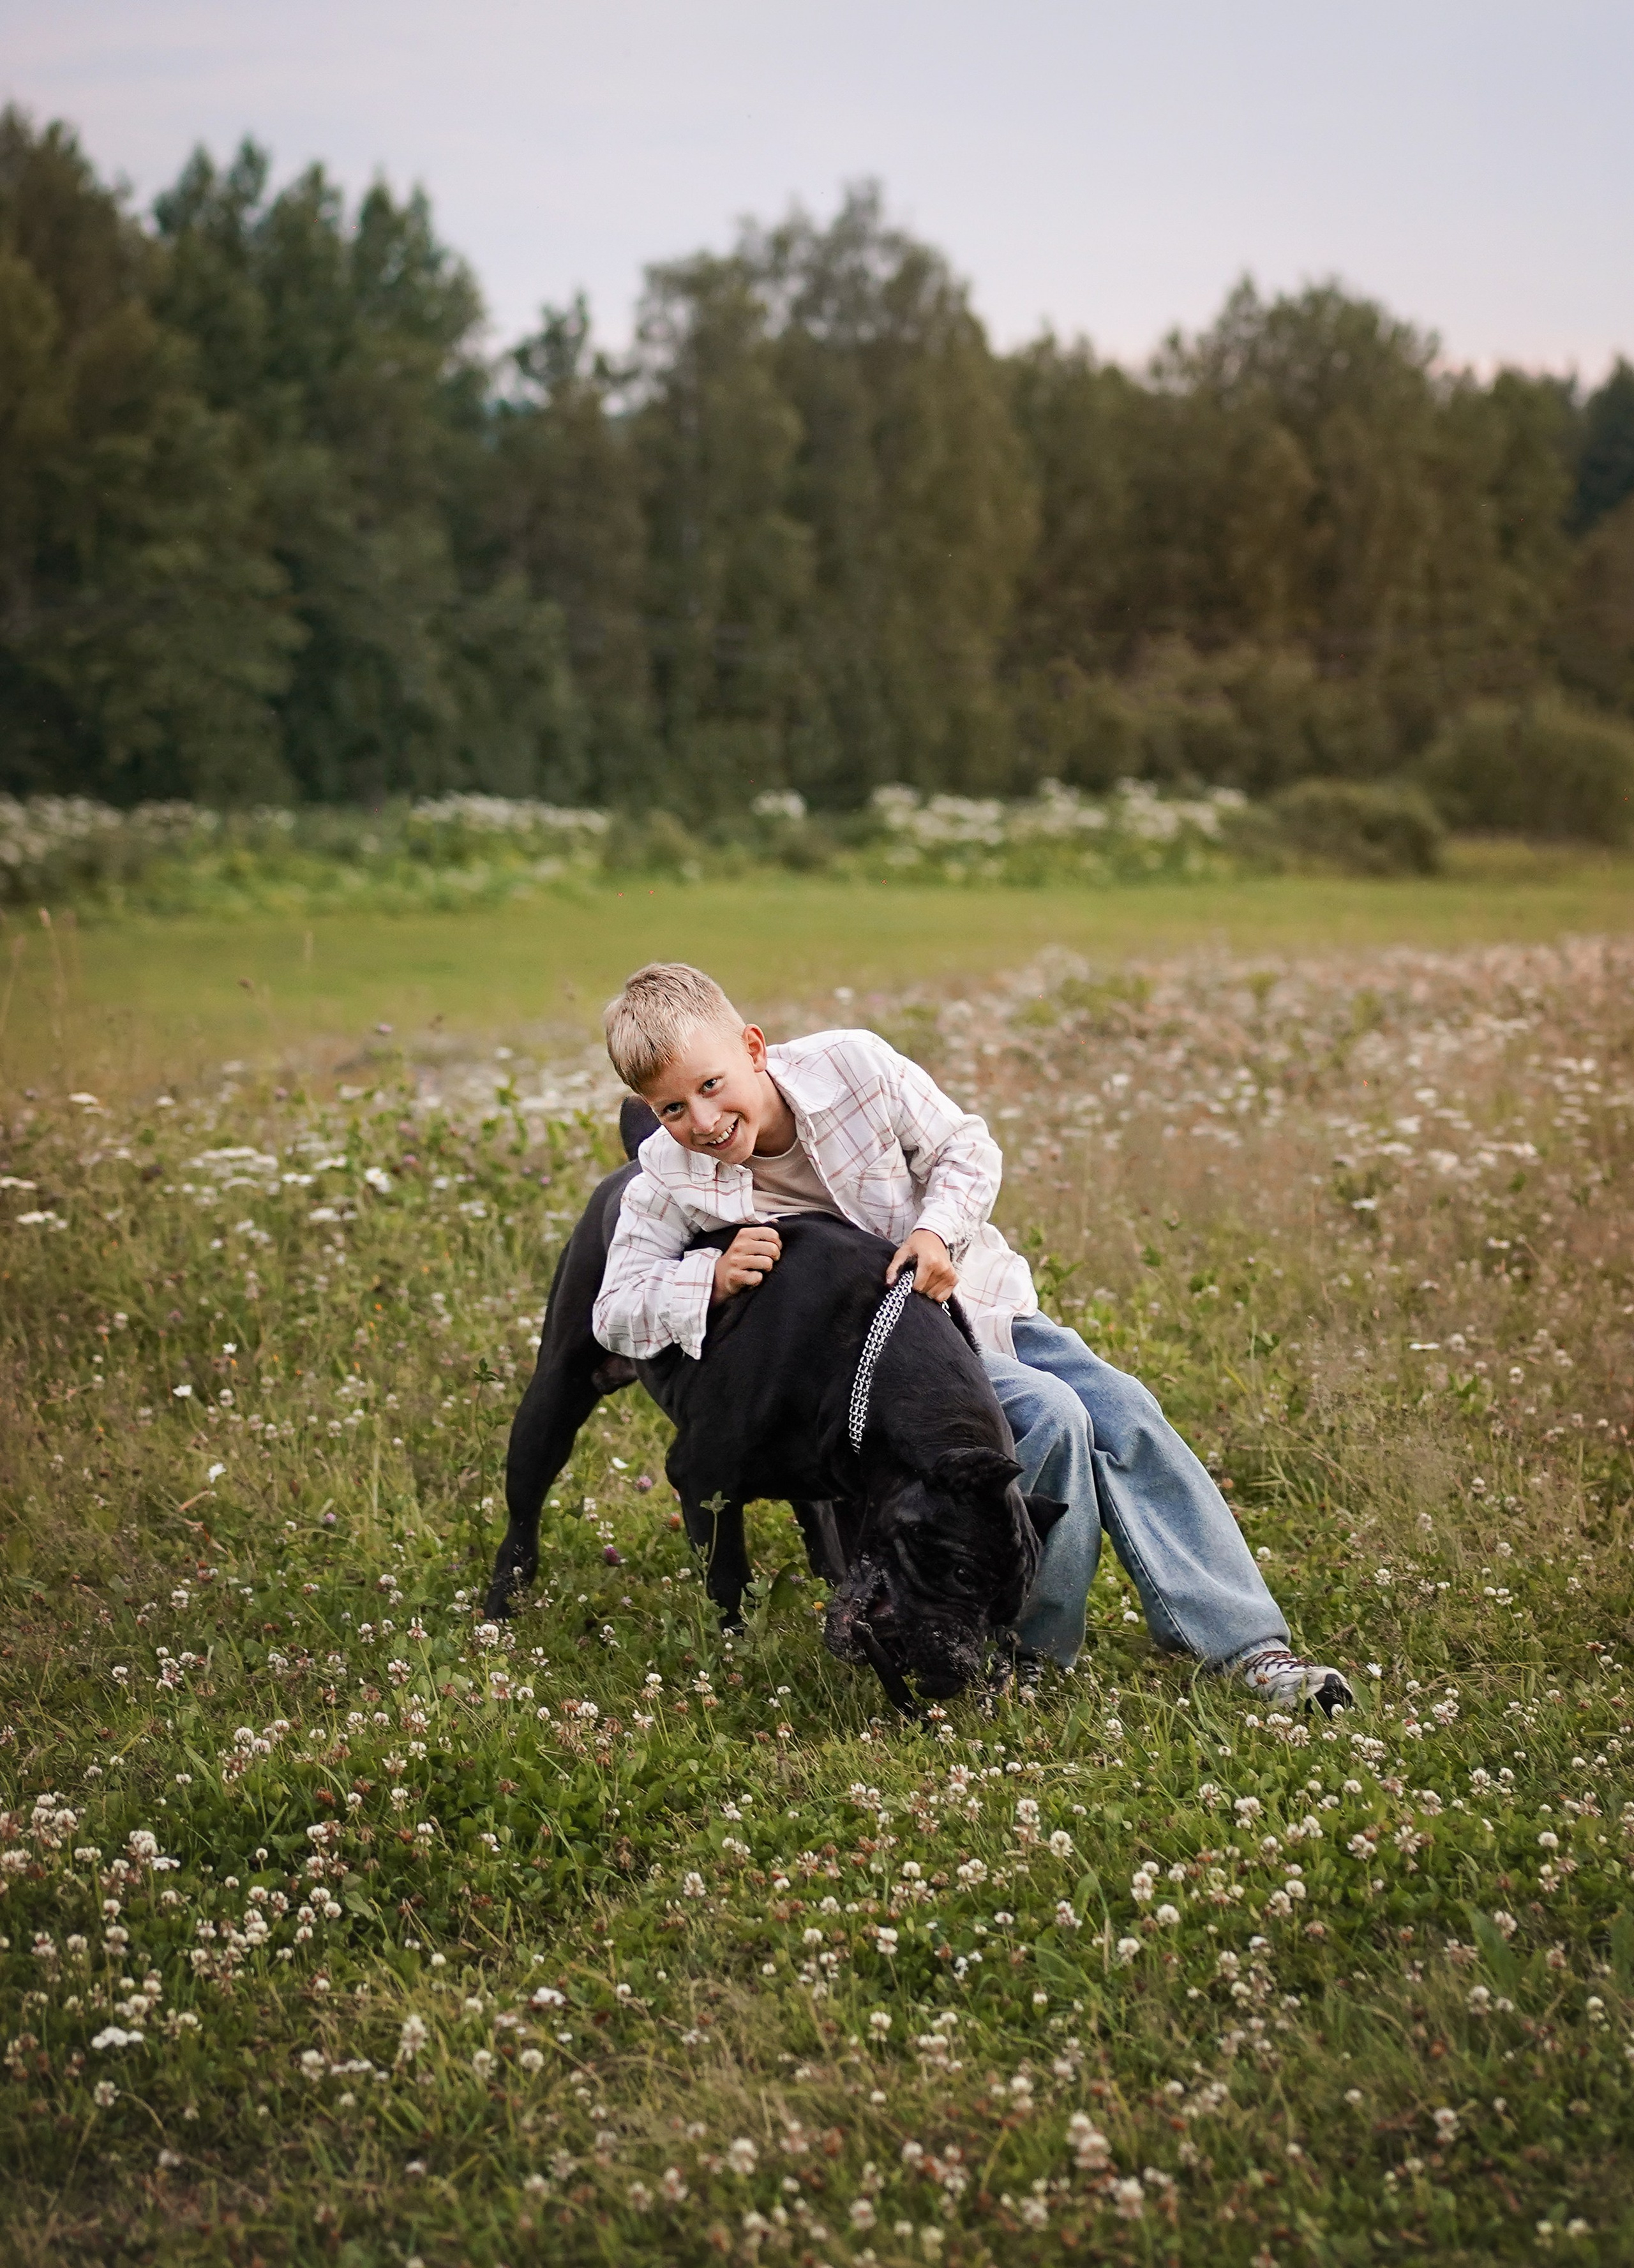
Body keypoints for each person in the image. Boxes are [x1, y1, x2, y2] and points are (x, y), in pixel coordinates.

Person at [591, 960, 1354, 1715]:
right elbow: (615, 1309)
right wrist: (711, 1277)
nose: (701, 1120)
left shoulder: (851, 1067)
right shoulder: (668, 1174)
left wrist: (935, 1230)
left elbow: (965, 1147)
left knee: (1122, 1406)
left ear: (754, 1049)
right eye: (671, 1107)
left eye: (711, 1084)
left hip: (975, 1307)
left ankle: (1248, 1646)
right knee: (1051, 1413)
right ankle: (1026, 1653)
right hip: (883, 1381)